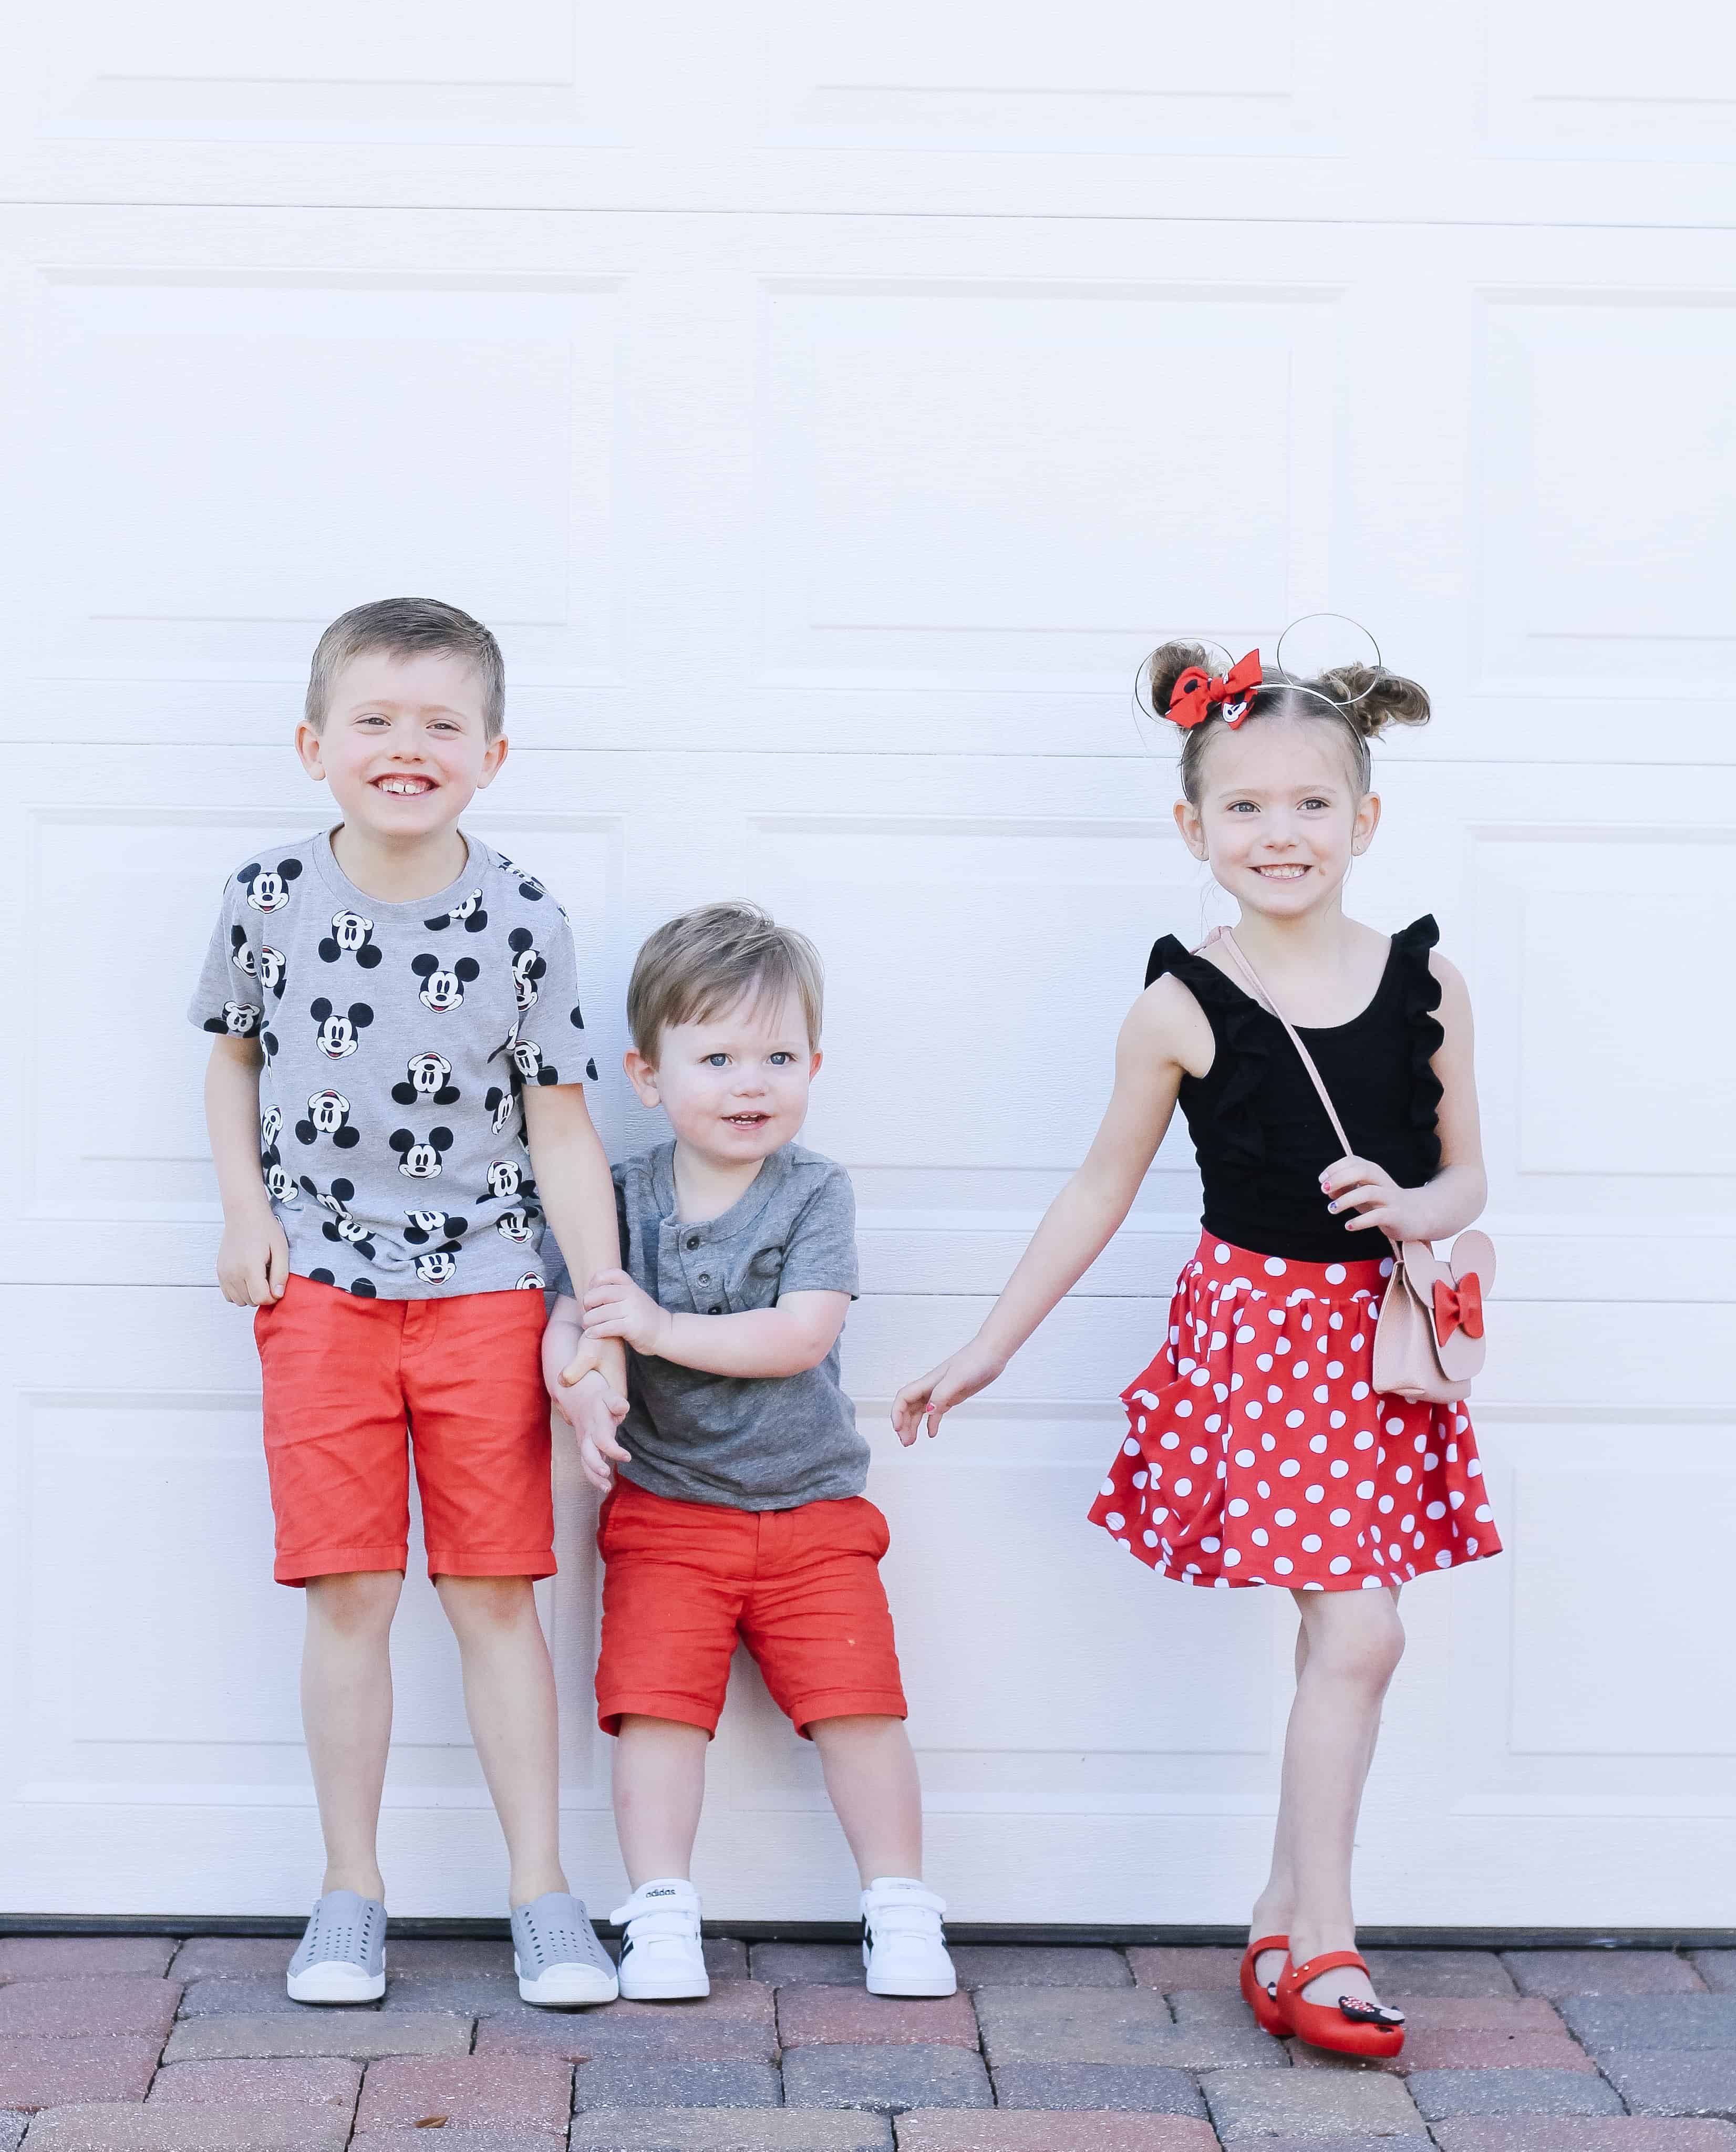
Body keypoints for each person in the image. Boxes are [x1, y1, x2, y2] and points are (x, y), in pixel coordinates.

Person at [890, 639, 1501, 2059]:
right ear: (1192, 828)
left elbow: (1468, 1178)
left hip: (1384, 1348)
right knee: (1362, 1626)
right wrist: (988, 1343)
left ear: (1365, 817)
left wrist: (1416, 1205)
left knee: (1341, 1640)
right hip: (1261, 1349)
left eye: (1307, 804)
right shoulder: (1182, 1002)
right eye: (1242, 807)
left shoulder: (1429, 980)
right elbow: (1097, 1188)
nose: (1277, 834)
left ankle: (1283, 1919)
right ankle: (1329, 1938)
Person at [189, 596, 622, 2009]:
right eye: (375, 717)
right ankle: (349, 1889)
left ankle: (542, 1889)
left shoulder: (523, 916)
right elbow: (233, 1064)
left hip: (487, 1289)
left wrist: (597, 1293)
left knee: (497, 1591)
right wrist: (247, 1214)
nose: (406, 745)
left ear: (494, 752)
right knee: (352, 1587)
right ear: (316, 742)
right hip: (320, 1287)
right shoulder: (264, 896)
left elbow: (559, 1123)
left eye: (443, 722)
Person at [546, 902, 954, 2003]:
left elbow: (800, 1334)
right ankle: (661, 1909)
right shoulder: (618, 1199)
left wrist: (660, 1330)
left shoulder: (813, 1190)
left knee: (859, 1708)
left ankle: (899, 1902)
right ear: (646, 1074)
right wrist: (582, 1393)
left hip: (810, 1512)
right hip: (669, 1513)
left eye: (777, 1057)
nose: (748, 1083)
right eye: (716, 1057)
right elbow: (569, 1324)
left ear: (813, 1065)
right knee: (654, 1709)